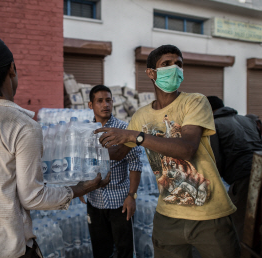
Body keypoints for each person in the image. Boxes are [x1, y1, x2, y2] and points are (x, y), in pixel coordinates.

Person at [0, 35, 110, 258]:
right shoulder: (23, 125)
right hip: (6, 248)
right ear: (12, 69)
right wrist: (81, 188)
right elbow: (32, 197)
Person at [95, 45, 240, 258]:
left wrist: (136, 136)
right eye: (167, 64)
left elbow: (187, 149)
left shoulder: (195, 101)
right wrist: (89, 150)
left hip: (209, 213)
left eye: (179, 64)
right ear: (151, 73)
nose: (175, 69)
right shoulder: (141, 116)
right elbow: (119, 153)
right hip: (167, 216)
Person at [79, 85, 142, 258]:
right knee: (100, 250)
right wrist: (80, 186)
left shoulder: (124, 130)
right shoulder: (85, 131)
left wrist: (131, 196)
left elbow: (135, 164)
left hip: (120, 203)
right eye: (100, 101)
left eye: (108, 100)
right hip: (95, 200)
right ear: (91, 105)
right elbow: (81, 161)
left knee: (124, 250)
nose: (105, 104)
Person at [207, 96, 262, 241]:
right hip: (259, 168)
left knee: (244, 224)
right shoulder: (247, 120)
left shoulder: (214, 125)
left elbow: (215, 160)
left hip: (244, 177)